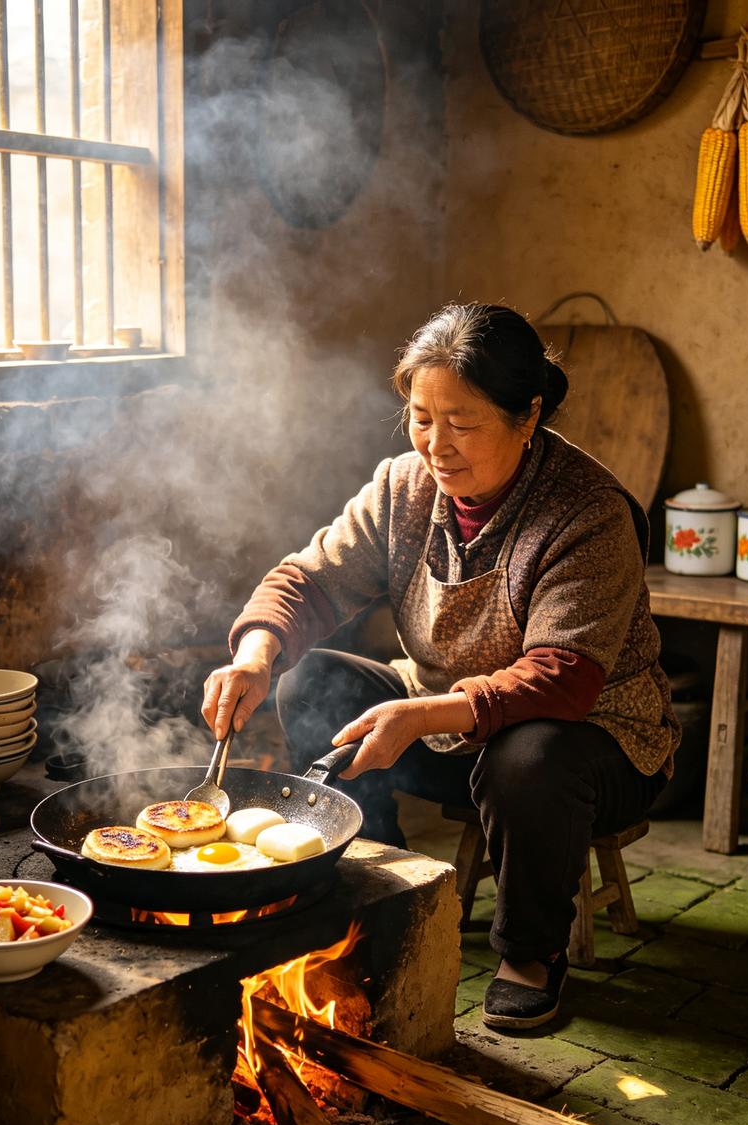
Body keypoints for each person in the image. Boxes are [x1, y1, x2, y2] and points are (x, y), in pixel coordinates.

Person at [201, 303, 680, 1031]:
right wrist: (255, 654)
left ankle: (530, 954)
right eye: (421, 418)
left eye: (462, 423)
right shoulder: (404, 489)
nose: (436, 445)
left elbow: (562, 677)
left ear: (528, 417)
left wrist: (421, 715)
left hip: (592, 746)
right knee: (312, 682)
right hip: (438, 721)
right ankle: (381, 885)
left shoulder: (588, 512)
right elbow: (312, 579)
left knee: (529, 755)